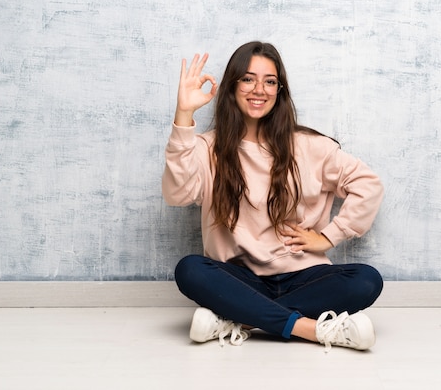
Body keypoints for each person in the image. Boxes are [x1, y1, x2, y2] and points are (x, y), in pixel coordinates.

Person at [162, 41, 384, 352]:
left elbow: (368, 184)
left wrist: (330, 236)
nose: (259, 89)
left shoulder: (309, 146)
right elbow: (177, 194)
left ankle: (236, 320)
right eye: (248, 79)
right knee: (190, 270)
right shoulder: (207, 148)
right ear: (233, 85)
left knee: (366, 279)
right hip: (239, 277)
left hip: (304, 276)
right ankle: (313, 330)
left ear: (279, 90)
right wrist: (184, 113)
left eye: (270, 81)